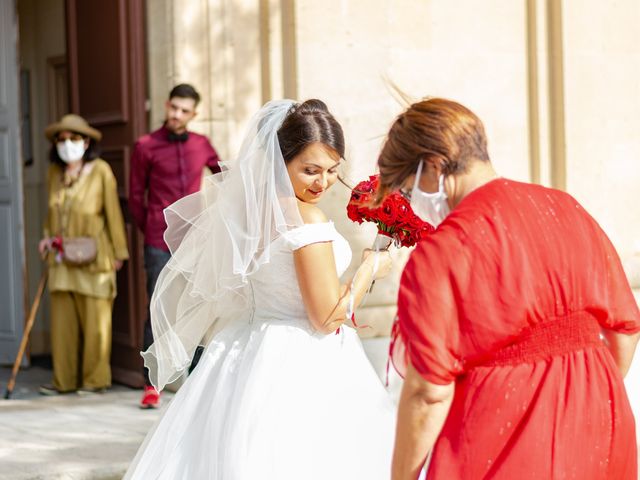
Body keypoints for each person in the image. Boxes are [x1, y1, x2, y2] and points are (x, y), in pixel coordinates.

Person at [124, 99, 396, 479]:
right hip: (301, 361)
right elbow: (326, 318)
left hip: (243, 349)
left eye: (333, 170)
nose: (323, 183)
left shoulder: (248, 214)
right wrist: (371, 266)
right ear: (279, 161)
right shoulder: (306, 219)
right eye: (310, 170)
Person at [377, 98, 640, 479]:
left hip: (503, 431)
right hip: (600, 419)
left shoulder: (444, 249)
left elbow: (429, 391)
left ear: (433, 166)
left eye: (406, 188)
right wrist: (586, 394)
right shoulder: (566, 207)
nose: (411, 202)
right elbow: (625, 328)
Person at [129, 83, 222, 408]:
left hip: (195, 240)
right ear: (166, 105)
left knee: (197, 303)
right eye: (174, 108)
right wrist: (153, 228)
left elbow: (224, 176)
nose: (177, 115)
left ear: (194, 114)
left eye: (185, 111)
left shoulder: (202, 144)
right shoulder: (145, 146)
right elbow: (136, 198)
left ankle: (195, 377)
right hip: (157, 239)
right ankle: (151, 384)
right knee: (157, 307)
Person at [38, 114, 129, 395]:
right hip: (63, 256)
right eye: (62, 140)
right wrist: (45, 239)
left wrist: (119, 251)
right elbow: (51, 212)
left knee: (96, 324)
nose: (67, 144)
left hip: (95, 255)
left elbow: (112, 212)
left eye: (74, 139)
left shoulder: (100, 170)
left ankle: (94, 380)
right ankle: (63, 381)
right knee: (63, 324)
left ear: (86, 141)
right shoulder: (54, 173)